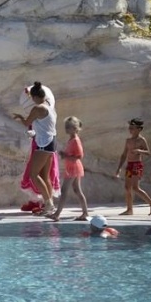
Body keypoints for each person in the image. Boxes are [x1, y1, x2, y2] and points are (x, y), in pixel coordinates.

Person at [12, 81, 57, 215]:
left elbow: (27, 122)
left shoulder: (37, 108)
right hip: (51, 142)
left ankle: (48, 204)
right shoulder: (49, 106)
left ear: (35, 97)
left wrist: (20, 117)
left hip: (43, 143)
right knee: (45, 176)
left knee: (33, 174)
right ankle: (50, 205)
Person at [47, 116, 89, 222]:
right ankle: (85, 213)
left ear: (75, 128)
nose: (66, 129)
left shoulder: (75, 141)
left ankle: (57, 214)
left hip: (74, 167)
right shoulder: (71, 140)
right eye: (66, 127)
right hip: (71, 167)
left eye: (68, 127)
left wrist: (66, 156)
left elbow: (79, 156)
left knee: (64, 190)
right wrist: (65, 154)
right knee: (77, 190)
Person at [115, 117, 151, 216]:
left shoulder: (141, 140)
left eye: (132, 128)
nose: (130, 130)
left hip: (137, 165)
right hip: (129, 165)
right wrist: (119, 168)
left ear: (139, 129)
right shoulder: (128, 141)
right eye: (129, 128)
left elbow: (148, 152)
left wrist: (139, 151)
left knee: (135, 187)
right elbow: (124, 155)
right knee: (127, 187)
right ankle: (129, 210)